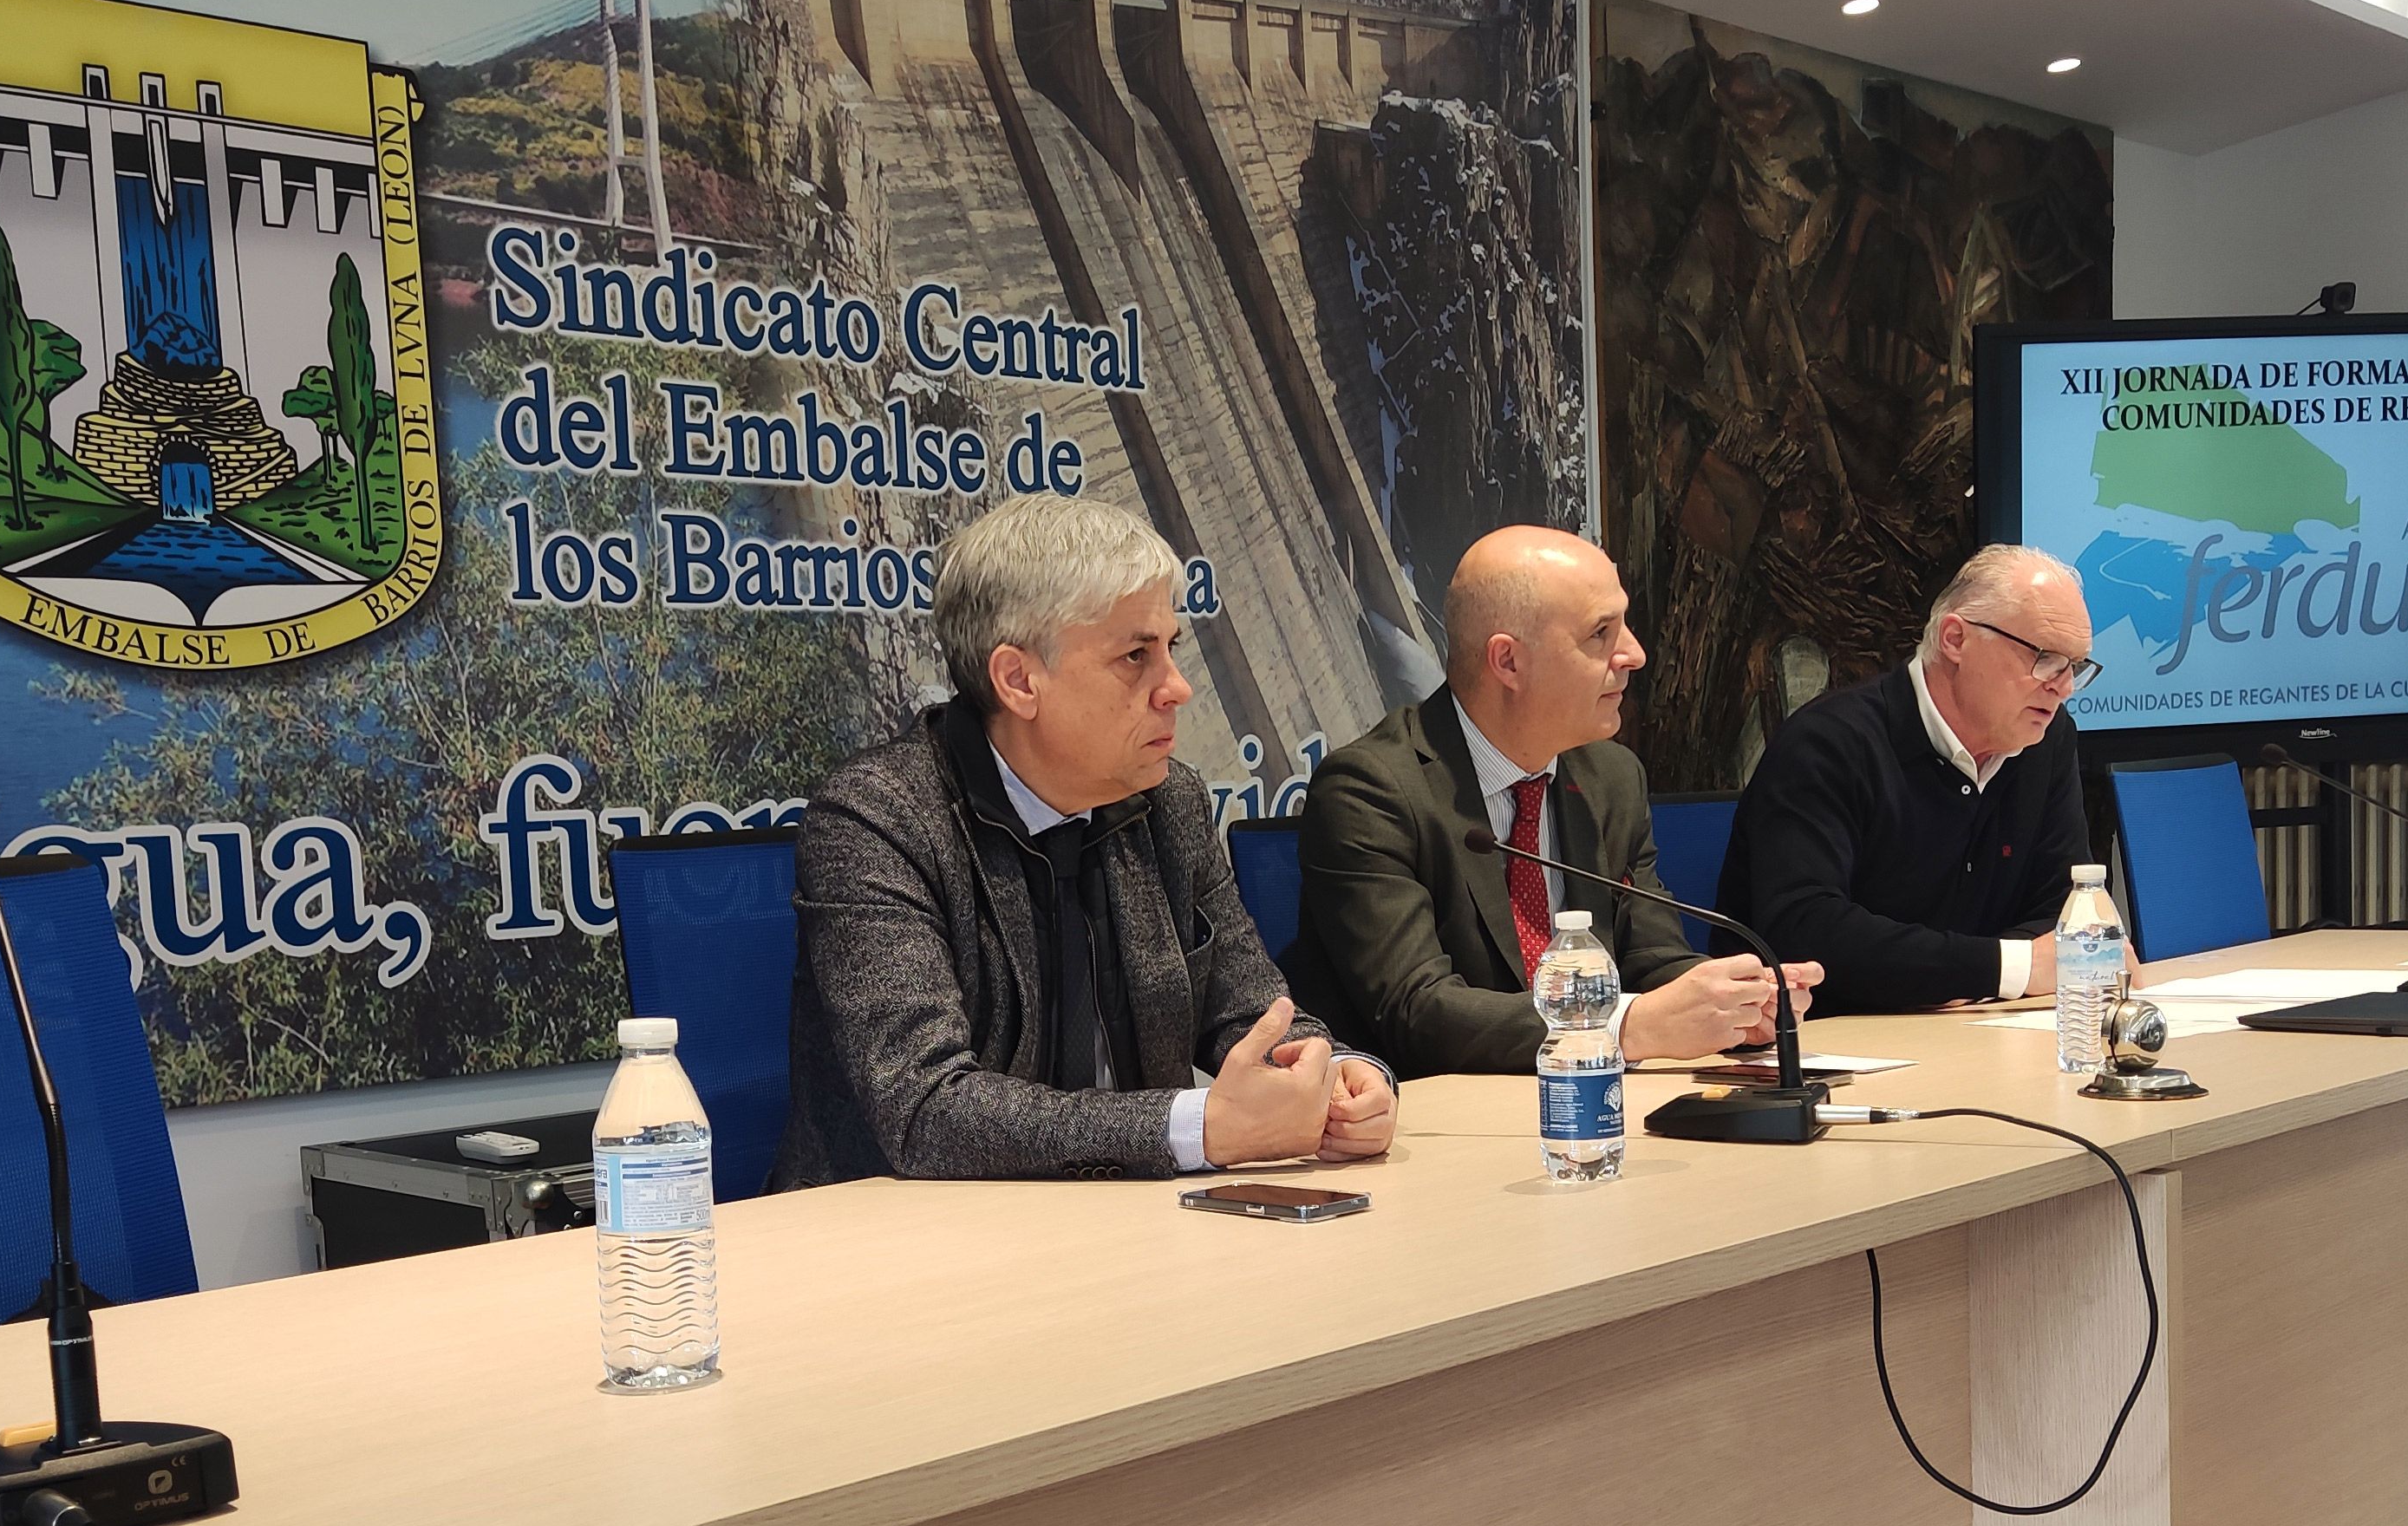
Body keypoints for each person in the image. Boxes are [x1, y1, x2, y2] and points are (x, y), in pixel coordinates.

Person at [773, 494, 1398, 1186]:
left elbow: (1255, 1015)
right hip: (904, 1250)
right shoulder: (878, 821)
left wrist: (1338, 1076)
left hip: (1133, 1229)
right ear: (1018, 680)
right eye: (1136, 655)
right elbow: (927, 1111)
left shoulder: (1170, 801)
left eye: (1171, 649)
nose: (1179, 688)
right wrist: (1198, 1129)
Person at [1282, 525, 1817, 1076]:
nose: (1634, 654)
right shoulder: (1370, 792)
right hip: (1436, 1127)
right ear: (1508, 662)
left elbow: (1651, 957)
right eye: (1600, 634)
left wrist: (1735, 1004)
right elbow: (1416, 1011)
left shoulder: (1611, 776)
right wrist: (1626, 1026)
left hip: (1596, 1113)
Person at [1719, 543, 2110, 1015]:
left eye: (2076, 667)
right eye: (2045, 657)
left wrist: (1974, 972)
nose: (2063, 687)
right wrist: (2008, 968)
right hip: (1829, 1045)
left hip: (1978, 1029)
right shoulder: (1829, 743)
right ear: (1955, 639)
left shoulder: (2045, 740)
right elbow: (1806, 930)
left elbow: (2064, 912)